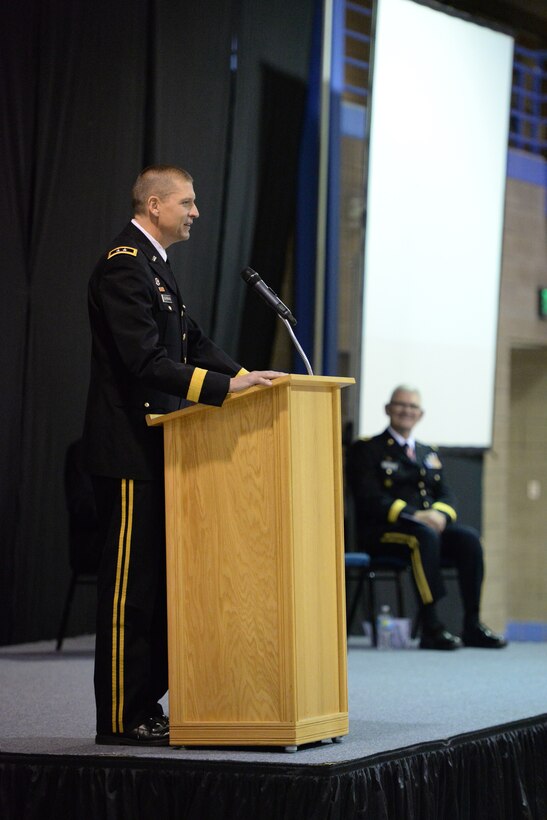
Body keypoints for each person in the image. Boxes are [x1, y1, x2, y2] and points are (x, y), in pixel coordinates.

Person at [82, 165, 285, 746]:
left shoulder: (155, 267)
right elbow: (143, 361)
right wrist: (224, 391)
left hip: (158, 447)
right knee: (128, 592)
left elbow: (190, 338)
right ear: (154, 203)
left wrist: (246, 375)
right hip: (125, 451)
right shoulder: (123, 266)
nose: (196, 213)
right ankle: (120, 717)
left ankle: (146, 705)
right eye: (187, 203)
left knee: (157, 586)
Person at [346, 385, 507, 651]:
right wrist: (416, 515)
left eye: (412, 407)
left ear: (420, 414)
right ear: (388, 409)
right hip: (384, 532)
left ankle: (472, 624)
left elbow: (446, 494)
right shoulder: (368, 449)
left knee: (468, 540)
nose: (406, 411)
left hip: (427, 531)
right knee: (423, 537)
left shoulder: (427, 452)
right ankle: (431, 627)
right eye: (400, 405)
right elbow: (369, 498)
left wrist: (440, 515)